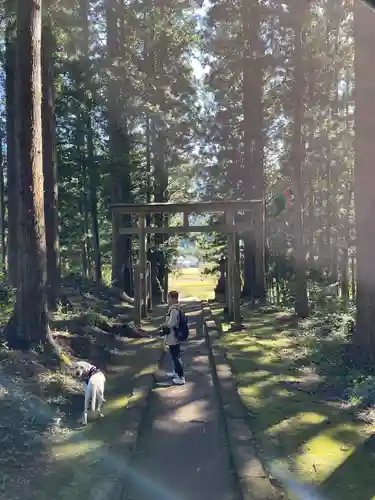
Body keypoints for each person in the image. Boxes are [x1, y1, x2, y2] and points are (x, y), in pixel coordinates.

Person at [161, 290, 185, 385]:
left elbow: (172, 323)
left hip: (173, 335)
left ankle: (180, 376)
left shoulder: (174, 309)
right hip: (175, 335)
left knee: (176, 356)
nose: (168, 300)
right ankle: (176, 372)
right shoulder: (177, 307)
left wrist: (165, 325)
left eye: (169, 298)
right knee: (175, 354)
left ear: (173, 298)